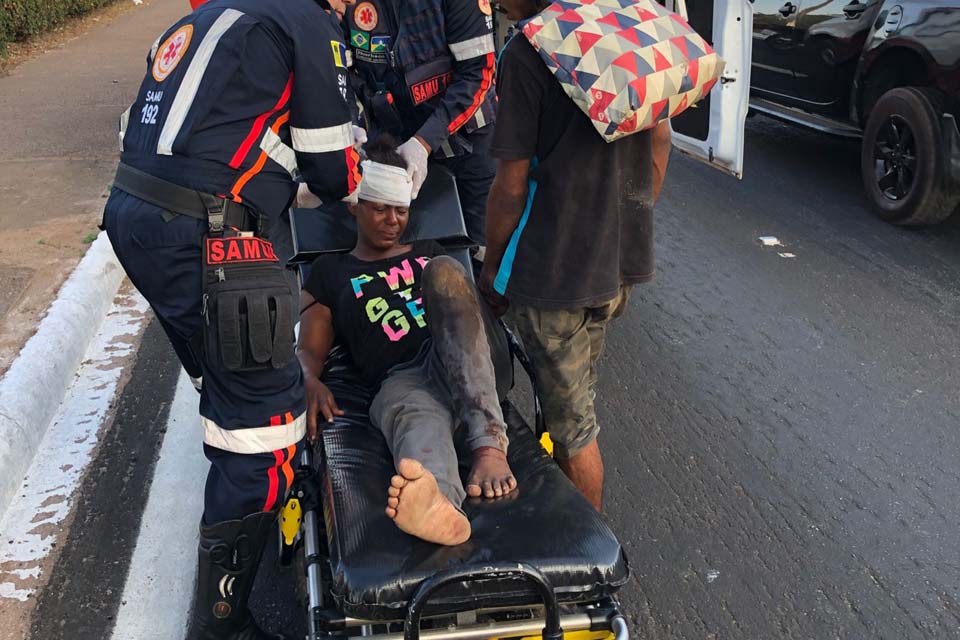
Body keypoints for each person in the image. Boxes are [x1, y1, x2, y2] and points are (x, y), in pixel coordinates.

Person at [101, 0, 360, 638]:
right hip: (209, 240)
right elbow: (336, 169)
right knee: (264, 437)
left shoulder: (204, 19)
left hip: (137, 219)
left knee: (228, 384)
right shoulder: (307, 24)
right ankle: (223, 625)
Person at [479, 0, 672, 512]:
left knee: (574, 435)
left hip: (554, 277)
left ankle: (588, 566)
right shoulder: (625, 35)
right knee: (577, 402)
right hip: (612, 271)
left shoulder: (530, 51)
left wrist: (492, 265)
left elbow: (511, 186)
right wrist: (628, 222)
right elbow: (660, 142)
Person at [297, 136, 515, 546]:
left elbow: (466, 319)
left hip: (462, 357)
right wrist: (308, 377)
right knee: (416, 421)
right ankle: (439, 505)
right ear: (355, 206)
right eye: (379, 209)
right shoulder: (331, 270)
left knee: (445, 271)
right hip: (402, 379)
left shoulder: (429, 250)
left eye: (400, 210)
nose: (392, 220)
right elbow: (309, 346)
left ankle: (490, 449)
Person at [339, 0, 497, 245]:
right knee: (403, 250)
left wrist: (423, 142)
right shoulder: (349, 4)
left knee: (479, 246)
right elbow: (342, 74)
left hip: (468, 142)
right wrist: (350, 122)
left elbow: (477, 73)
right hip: (393, 142)